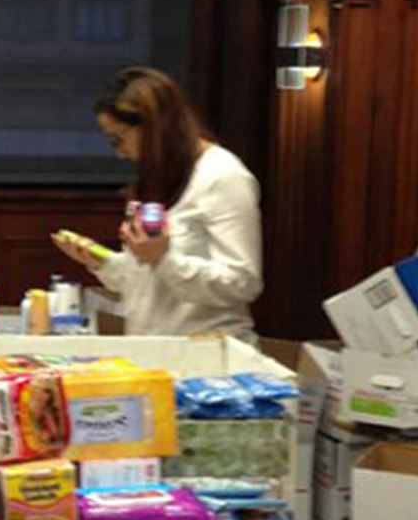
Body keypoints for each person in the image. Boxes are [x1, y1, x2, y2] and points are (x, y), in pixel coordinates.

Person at [54, 67, 263, 343]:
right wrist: (101, 261)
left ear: (152, 125)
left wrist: (163, 259)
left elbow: (242, 283)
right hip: (155, 353)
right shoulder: (159, 177)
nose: (119, 153)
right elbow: (144, 283)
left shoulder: (223, 175)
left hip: (210, 360)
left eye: (119, 139)